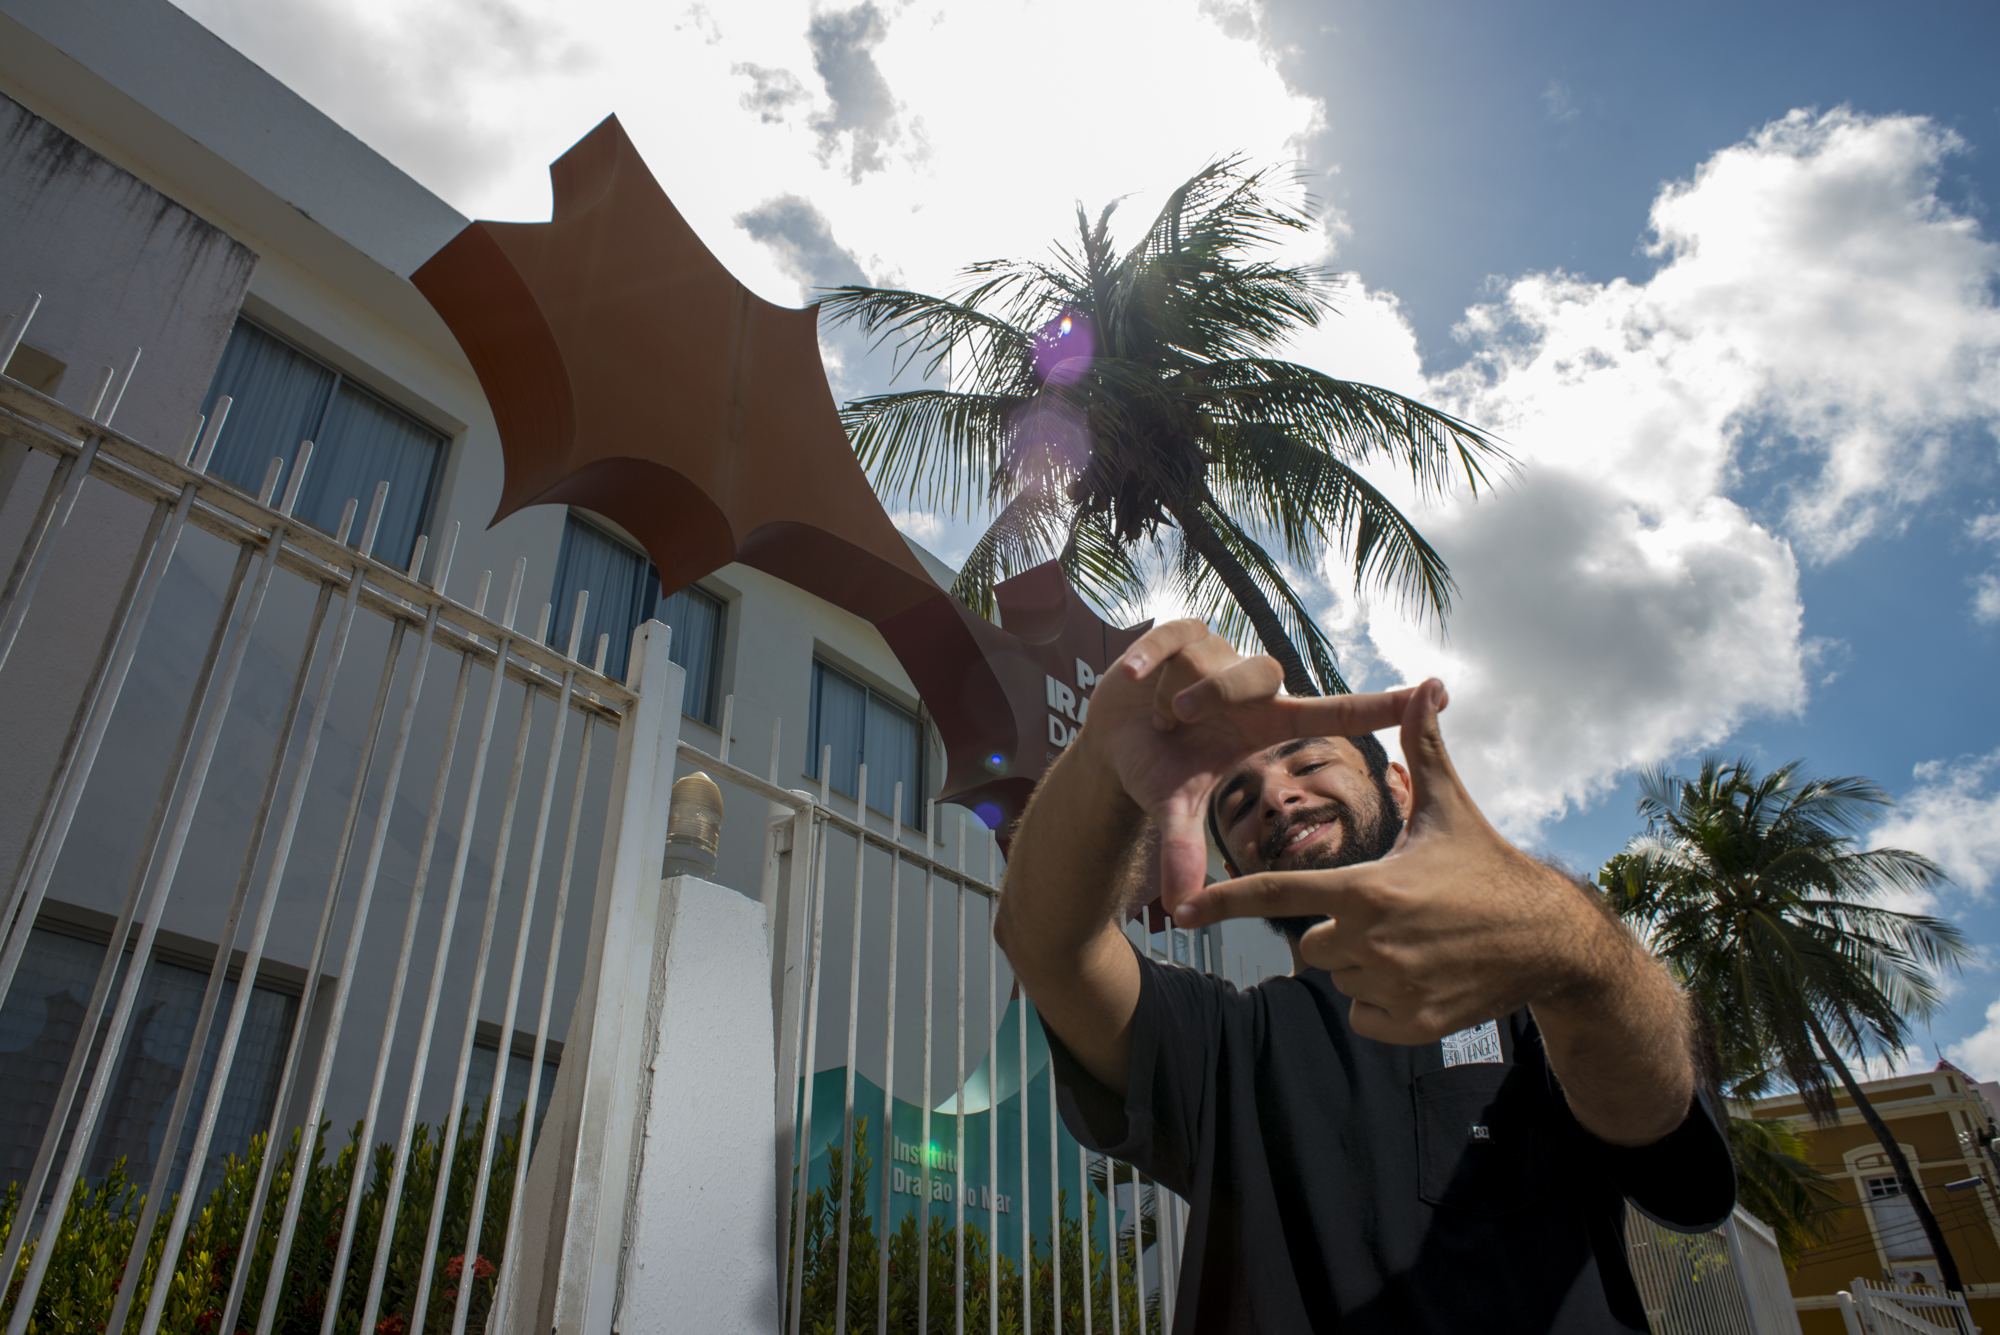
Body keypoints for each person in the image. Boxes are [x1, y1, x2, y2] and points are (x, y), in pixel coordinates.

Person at [994, 621, 1735, 1334]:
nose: (1278, 797)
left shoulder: (1539, 1003)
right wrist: (1103, 757)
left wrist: (1576, 951)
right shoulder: (1224, 1043)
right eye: (1239, 801)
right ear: (1239, 865)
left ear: (1401, 789)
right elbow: (1048, 945)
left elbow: (1659, 1130)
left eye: (1309, 763)